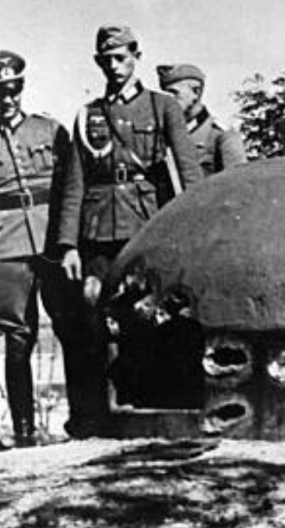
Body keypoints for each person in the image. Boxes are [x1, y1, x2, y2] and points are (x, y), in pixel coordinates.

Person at [48, 25, 202, 438]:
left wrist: (197, 225)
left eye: (121, 58)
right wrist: (67, 245)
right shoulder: (88, 115)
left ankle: (154, 402)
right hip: (98, 228)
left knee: (150, 311)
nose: (114, 67)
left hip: (147, 222)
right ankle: (103, 412)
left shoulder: (162, 106)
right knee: (96, 314)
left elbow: (188, 168)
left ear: (137, 57)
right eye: (106, 60)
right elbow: (75, 184)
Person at [0, 50, 68, 448]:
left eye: (13, 90)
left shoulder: (50, 130)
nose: (7, 100)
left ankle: (83, 420)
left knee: (69, 326)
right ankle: (25, 430)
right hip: (7, 241)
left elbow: (69, 186)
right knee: (16, 337)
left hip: (53, 237)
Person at [156, 63, 246, 176]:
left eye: (174, 93)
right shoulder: (162, 135)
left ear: (196, 92)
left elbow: (238, 184)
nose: (167, 101)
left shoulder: (221, 135)